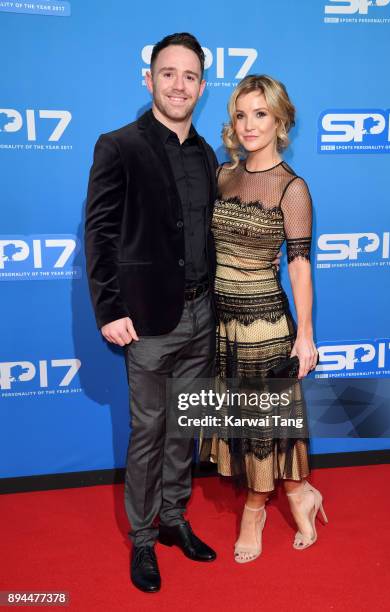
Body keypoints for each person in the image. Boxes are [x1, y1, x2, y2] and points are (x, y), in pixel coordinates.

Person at [85, 33, 218, 593]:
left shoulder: (207, 152)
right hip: (146, 321)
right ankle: (143, 540)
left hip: (202, 315)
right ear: (150, 80)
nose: (178, 85)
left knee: (182, 428)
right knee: (148, 430)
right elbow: (99, 232)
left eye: (189, 76)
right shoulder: (118, 145)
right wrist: (109, 308)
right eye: (168, 73)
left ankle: (173, 519)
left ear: (202, 87)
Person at [207, 74, 327, 562]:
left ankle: (255, 511)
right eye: (241, 113)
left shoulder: (292, 189)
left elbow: (299, 264)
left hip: (265, 327)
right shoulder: (221, 175)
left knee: (264, 424)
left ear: (280, 121)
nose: (249, 124)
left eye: (260, 114)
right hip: (222, 324)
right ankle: (302, 492)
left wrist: (306, 336)